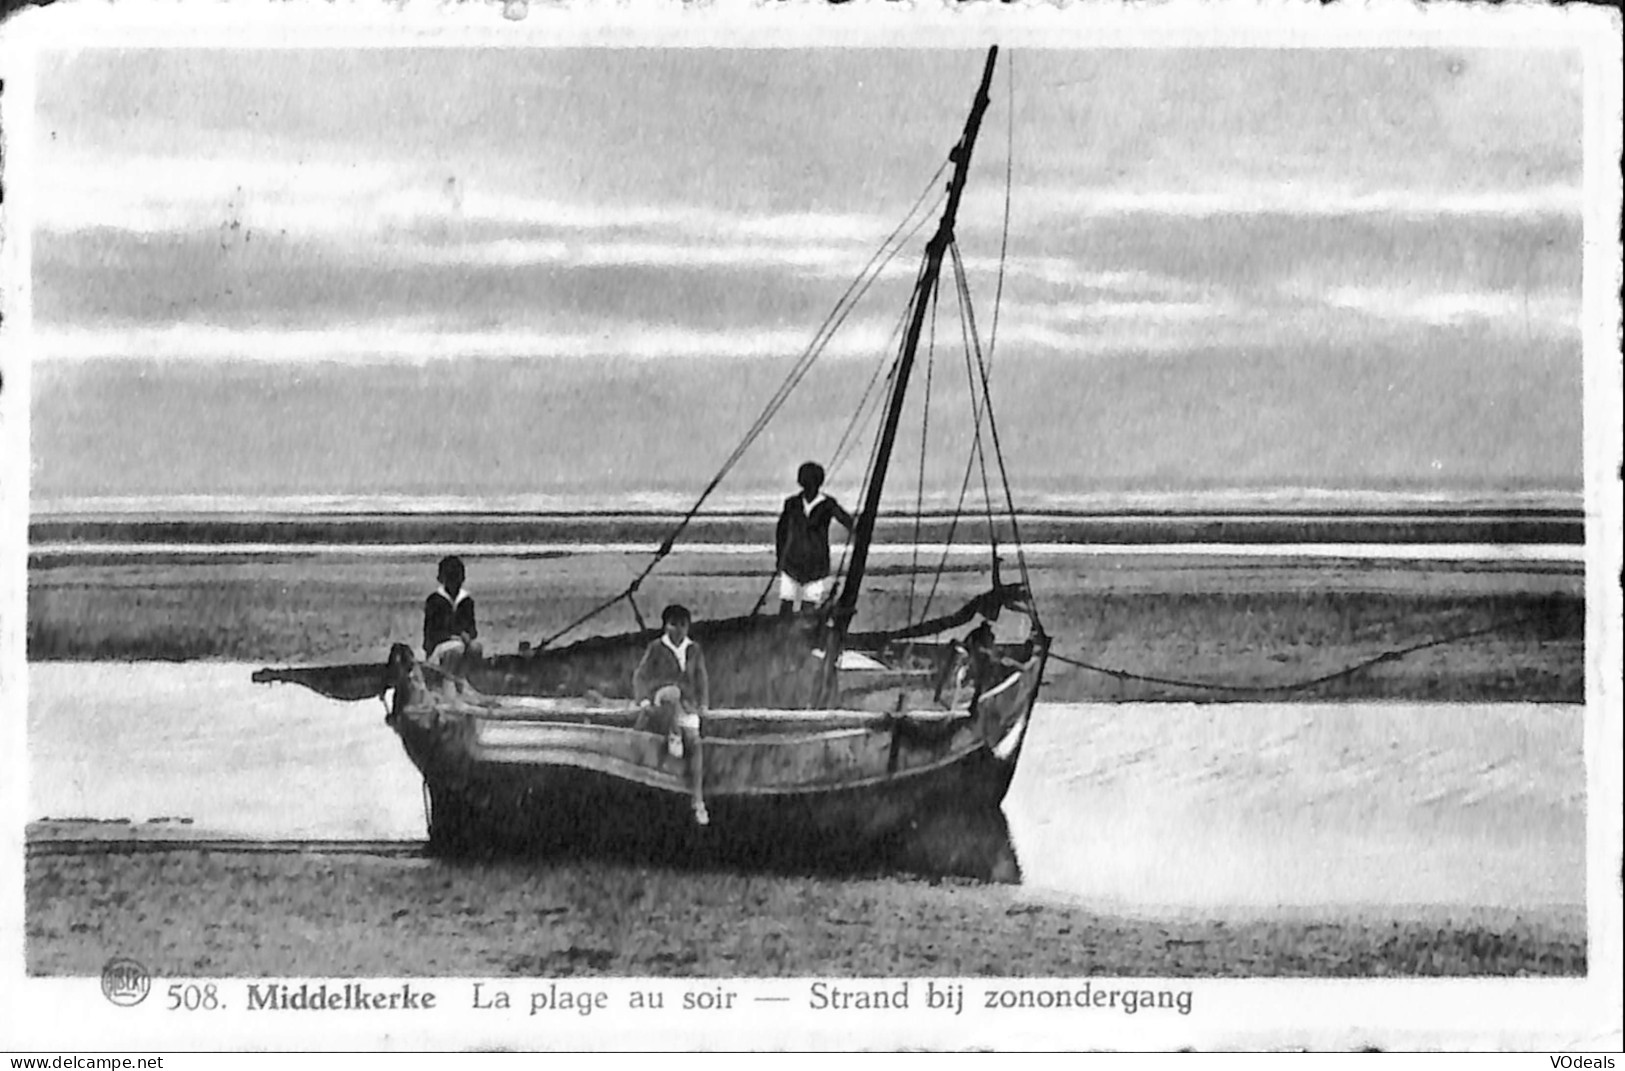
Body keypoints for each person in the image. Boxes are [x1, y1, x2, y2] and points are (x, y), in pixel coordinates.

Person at [633, 604, 711, 826]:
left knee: (695, 744)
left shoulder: (694, 649)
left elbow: (701, 678)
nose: (678, 630)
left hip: (687, 705)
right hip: (663, 702)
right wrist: (645, 700)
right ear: (665, 626)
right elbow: (641, 676)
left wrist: (703, 704)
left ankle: (697, 799)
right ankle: (673, 734)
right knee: (671, 696)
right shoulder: (656, 648)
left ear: (688, 627)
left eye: (683, 625)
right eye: (673, 624)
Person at [775, 461, 856, 614]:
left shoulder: (827, 504)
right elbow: (781, 532)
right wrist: (780, 558)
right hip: (792, 561)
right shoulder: (792, 504)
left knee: (809, 605)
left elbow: (847, 521)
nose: (808, 485)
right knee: (787, 603)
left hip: (816, 563)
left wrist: (858, 529)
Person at [423, 555, 483, 675]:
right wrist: (451, 637)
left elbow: (472, 629)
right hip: (438, 648)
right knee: (456, 648)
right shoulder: (434, 601)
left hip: (462, 643)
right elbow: (430, 635)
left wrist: (468, 635)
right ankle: (447, 682)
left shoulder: (466, 601)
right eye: (452, 578)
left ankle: (467, 680)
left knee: (476, 647)